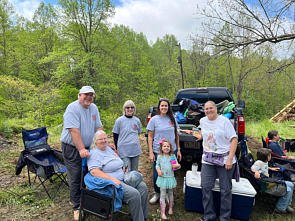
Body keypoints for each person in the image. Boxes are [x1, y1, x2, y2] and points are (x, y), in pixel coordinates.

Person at [60, 86, 103, 220]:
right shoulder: (72, 108)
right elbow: (74, 131)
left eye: (91, 95)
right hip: (72, 147)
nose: (89, 97)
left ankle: (80, 197)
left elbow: (98, 127)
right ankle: (76, 206)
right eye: (86, 94)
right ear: (79, 95)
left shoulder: (94, 108)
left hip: (87, 147)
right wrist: (81, 149)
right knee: (76, 174)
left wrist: (103, 142)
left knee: (87, 172)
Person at [87, 130, 149, 221]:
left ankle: (143, 216)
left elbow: (116, 160)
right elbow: (94, 172)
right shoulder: (94, 153)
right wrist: (111, 179)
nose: (104, 141)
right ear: (95, 141)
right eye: (100, 139)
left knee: (143, 187)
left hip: (124, 176)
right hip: (113, 183)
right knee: (134, 194)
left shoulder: (108, 149)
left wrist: (122, 165)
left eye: (105, 138)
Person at [193, 101, 238, 221]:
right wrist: (201, 136)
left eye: (211, 108)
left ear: (216, 109)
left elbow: (234, 139)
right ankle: (209, 215)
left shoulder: (224, 121)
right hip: (207, 159)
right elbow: (207, 132)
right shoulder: (203, 121)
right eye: (206, 109)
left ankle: (224, 217)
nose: (208, 110)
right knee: (206, 187)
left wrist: (229, 159)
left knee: (225, 190)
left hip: (224, 159)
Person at [147, 98, 182, 204]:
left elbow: (176, 135)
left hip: (172, 152)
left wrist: (178, 149)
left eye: (166, 106)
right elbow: (150, 136)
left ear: (168, 107)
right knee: (158, 173)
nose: (164, 107)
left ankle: (167, 192)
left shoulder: (172, 119)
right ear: (159, 107)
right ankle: (157, 193)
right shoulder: (154, 119)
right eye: (162, 106)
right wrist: (151, 152)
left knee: (170, 172)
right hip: (158, 152)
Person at [251, 148, 294, 213]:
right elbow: (252, 168)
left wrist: (270, 168)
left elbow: (263, 167)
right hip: (266, 185)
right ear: (266, 157)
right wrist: (256, 172)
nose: (270, 156)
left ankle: (287, 204)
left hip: (268, 181)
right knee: (289, 189)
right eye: (269, 155)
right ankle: (280, 208)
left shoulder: (264, 162)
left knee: (291, 184)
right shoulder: (258, 162)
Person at [112, 100, 142, 171]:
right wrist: (116, 148)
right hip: (123, 150)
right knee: (126, 171)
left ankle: (134, 182)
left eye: (132, 107)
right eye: (127, 107)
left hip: (135, 149)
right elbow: (115, 135)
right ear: (124, 109)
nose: (130, 109)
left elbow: (138, 133)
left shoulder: (137, 120)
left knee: (135, 171)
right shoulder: (119, 120)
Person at [156, 139, 180, 220]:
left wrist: (177, 166)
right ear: (161, 148)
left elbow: (176, 166)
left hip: (170, 178)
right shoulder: (159, 157)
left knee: (170, 192)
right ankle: (162, 212)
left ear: (170, 148)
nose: (166, 147)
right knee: (162, 194)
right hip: (162, 178)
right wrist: (158, 170)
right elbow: (157, 165)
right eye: (164, 146)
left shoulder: (172, 157)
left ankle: (170, 208)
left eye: (168, 146)